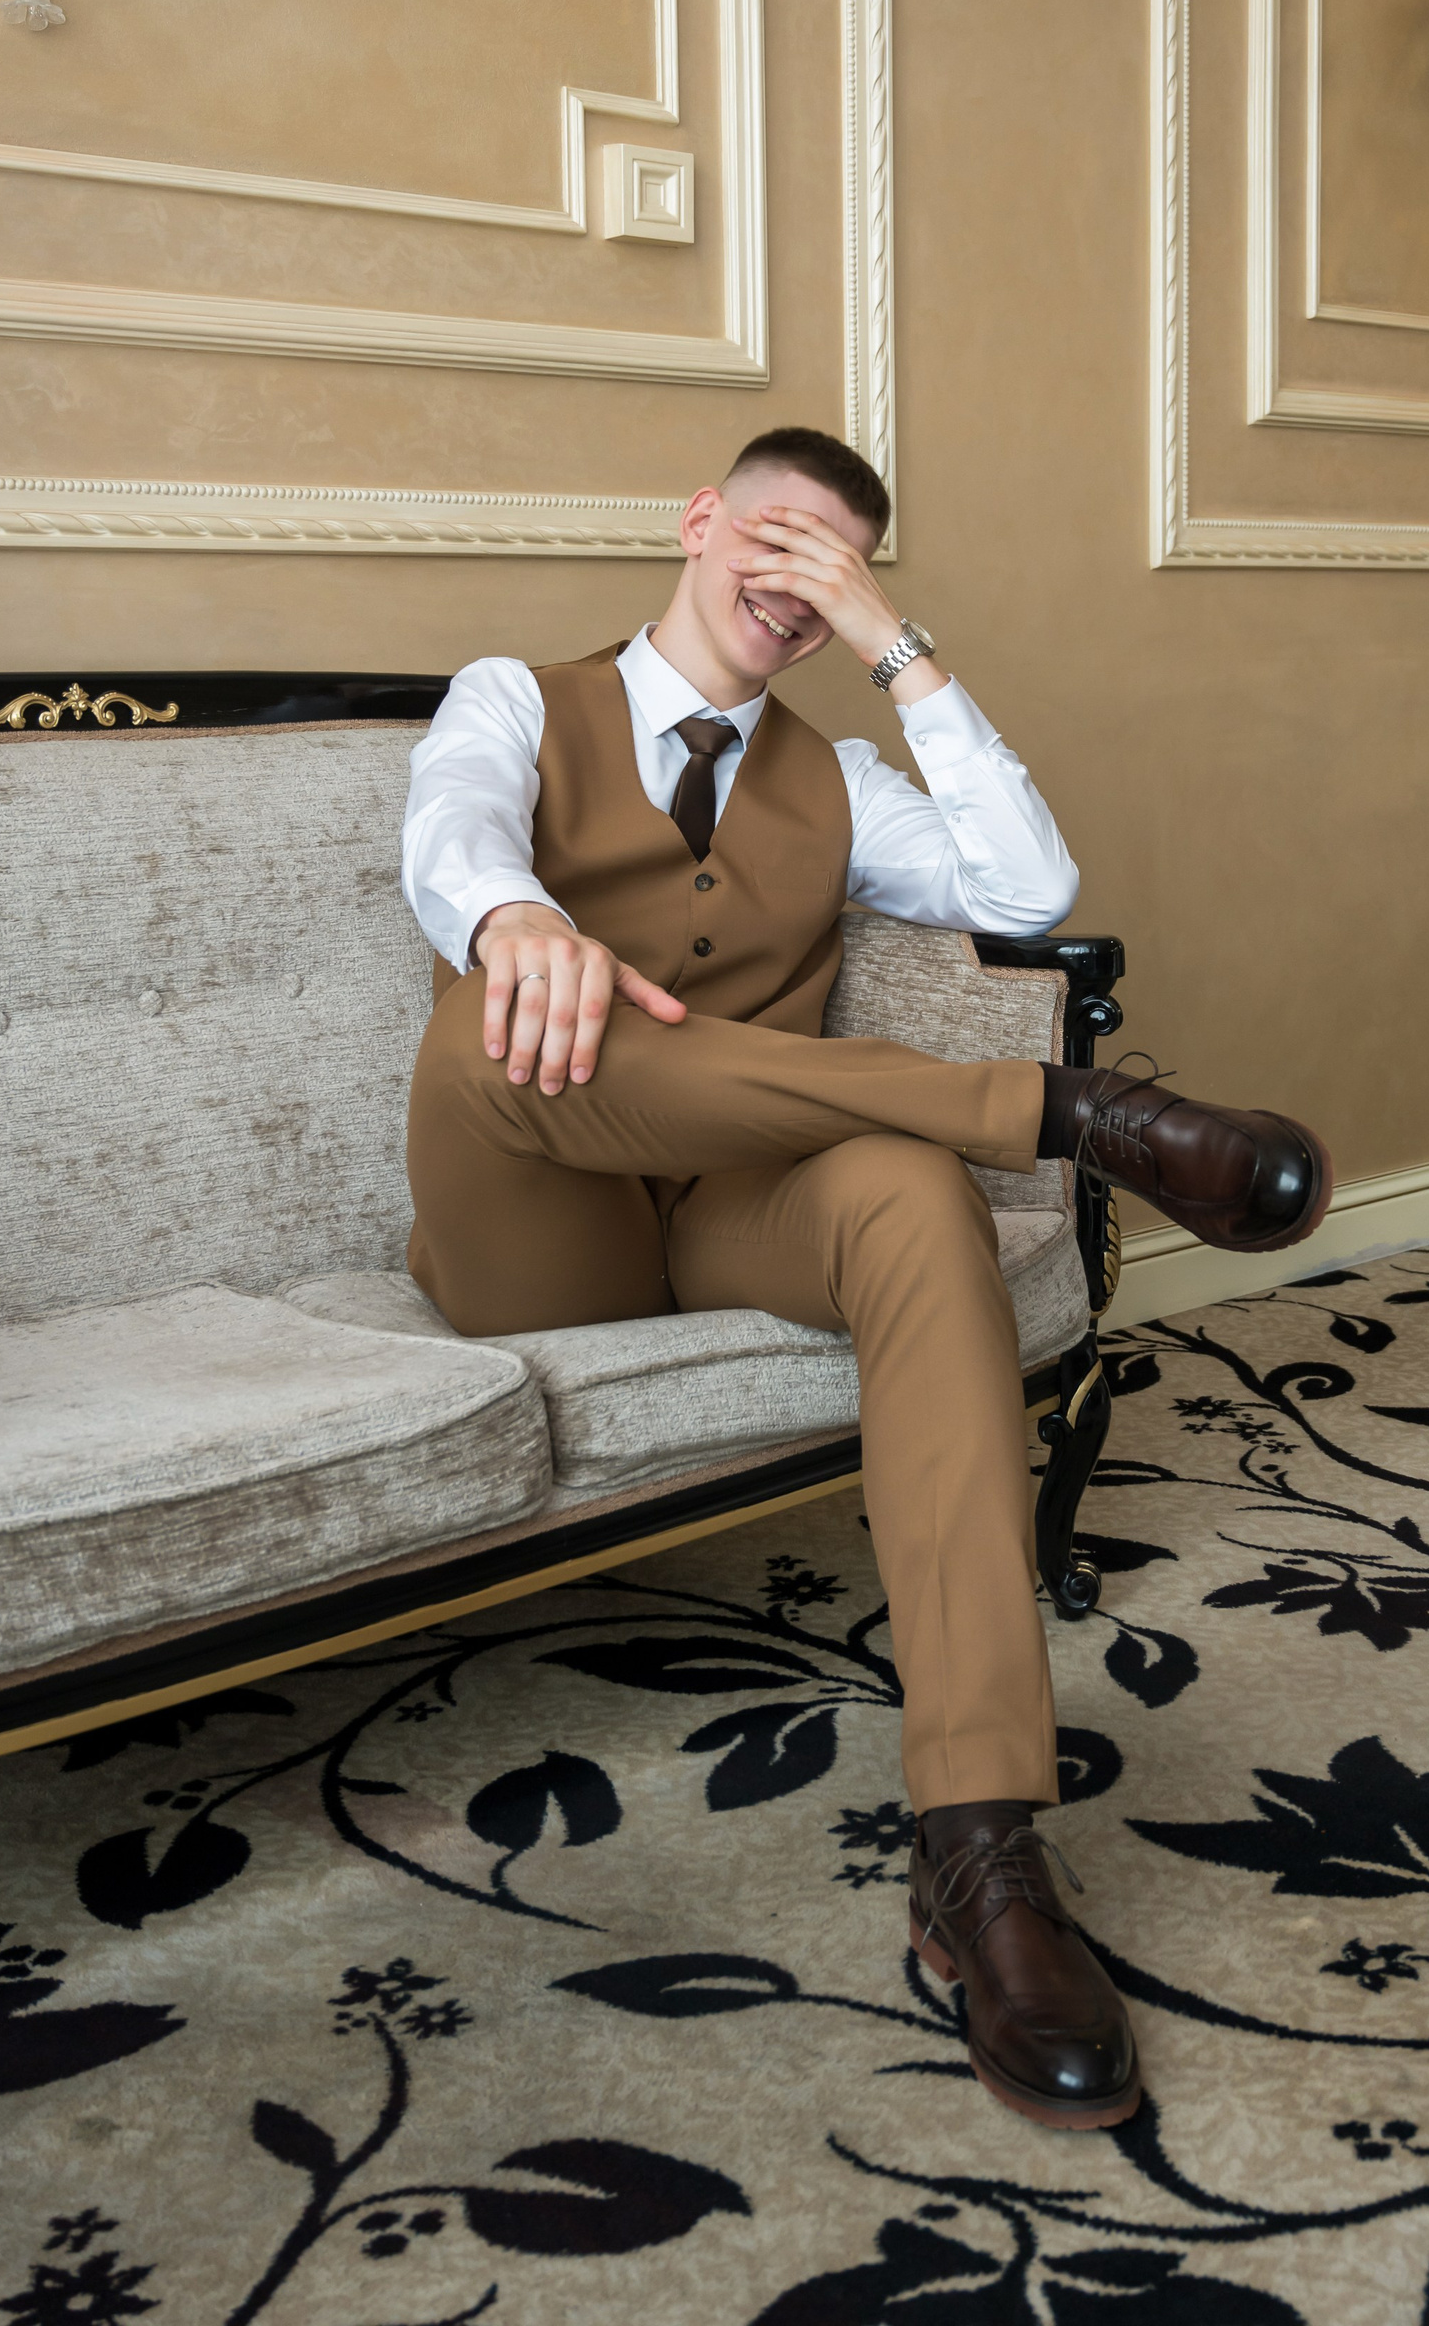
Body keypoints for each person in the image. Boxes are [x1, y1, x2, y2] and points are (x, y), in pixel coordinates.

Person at [401, 425, 1330, 2132]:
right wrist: (514, 918)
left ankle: (978, 1851)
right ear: (697, 522)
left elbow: (1029, 891)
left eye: (836, 567)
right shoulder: (520, 699)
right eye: (774, 536)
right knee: (493, 1016)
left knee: (908, 1189)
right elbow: (453, 831)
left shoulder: (833, 780)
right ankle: (1062, 1114)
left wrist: (897, 644)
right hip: (539, 1219)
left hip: (731, 1209)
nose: (797, 580)